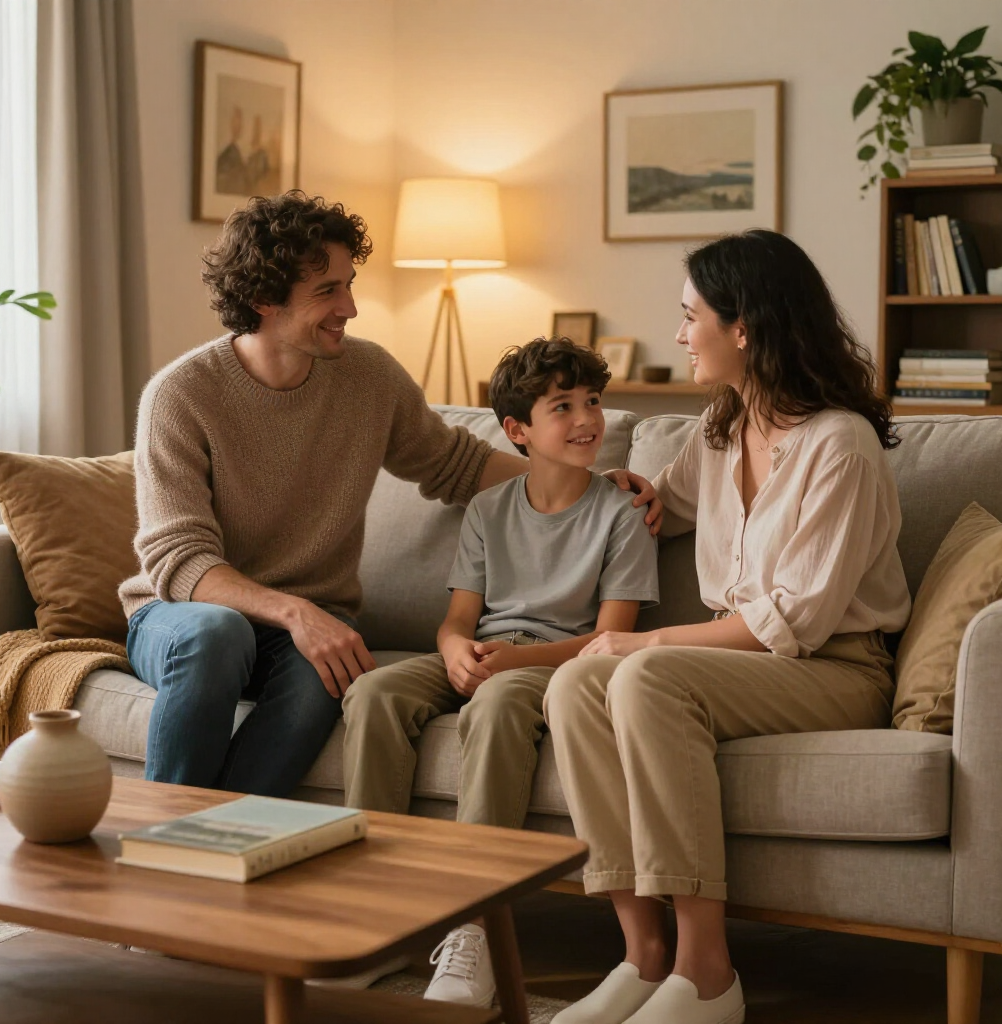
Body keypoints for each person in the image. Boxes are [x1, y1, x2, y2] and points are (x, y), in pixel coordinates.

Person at [119, 190, 660, 804]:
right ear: (263, 299)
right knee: (220, 634)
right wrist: (297, 613)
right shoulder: (181, 395)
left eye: (349, 284)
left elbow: (456, 464)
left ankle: (227, 839)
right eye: (327, 290)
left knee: (329, 680)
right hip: (179, 619)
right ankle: (161, 838)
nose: (349, 306)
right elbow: (178, 560)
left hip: (311, 628)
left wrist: (584, 482)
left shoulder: (368, 376)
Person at [545, 230, 912, 1024]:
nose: (680, 335)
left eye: (690, 317)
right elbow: (666, 506)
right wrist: (621, 493)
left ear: (743, 327)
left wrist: (644, 640)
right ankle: (642, 957)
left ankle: (707, 973)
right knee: (576, 682)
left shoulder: (838, 446)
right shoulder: (717, 430)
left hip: (835, 669)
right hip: (751, 659)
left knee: (643, 673)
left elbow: (796, 621)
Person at [341, 337, 660, 1008]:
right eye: (562, 406)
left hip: (565, 662)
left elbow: (611, 637)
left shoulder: (621, 515)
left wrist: (513, 661)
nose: (587, 420)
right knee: (374, 692)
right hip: (489, 650)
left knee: (497, 703)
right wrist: (455, 649)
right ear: (517, 430)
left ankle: (476, 926)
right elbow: (459, 617)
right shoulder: (489, 509)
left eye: (593, 401)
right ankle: (376, 915)